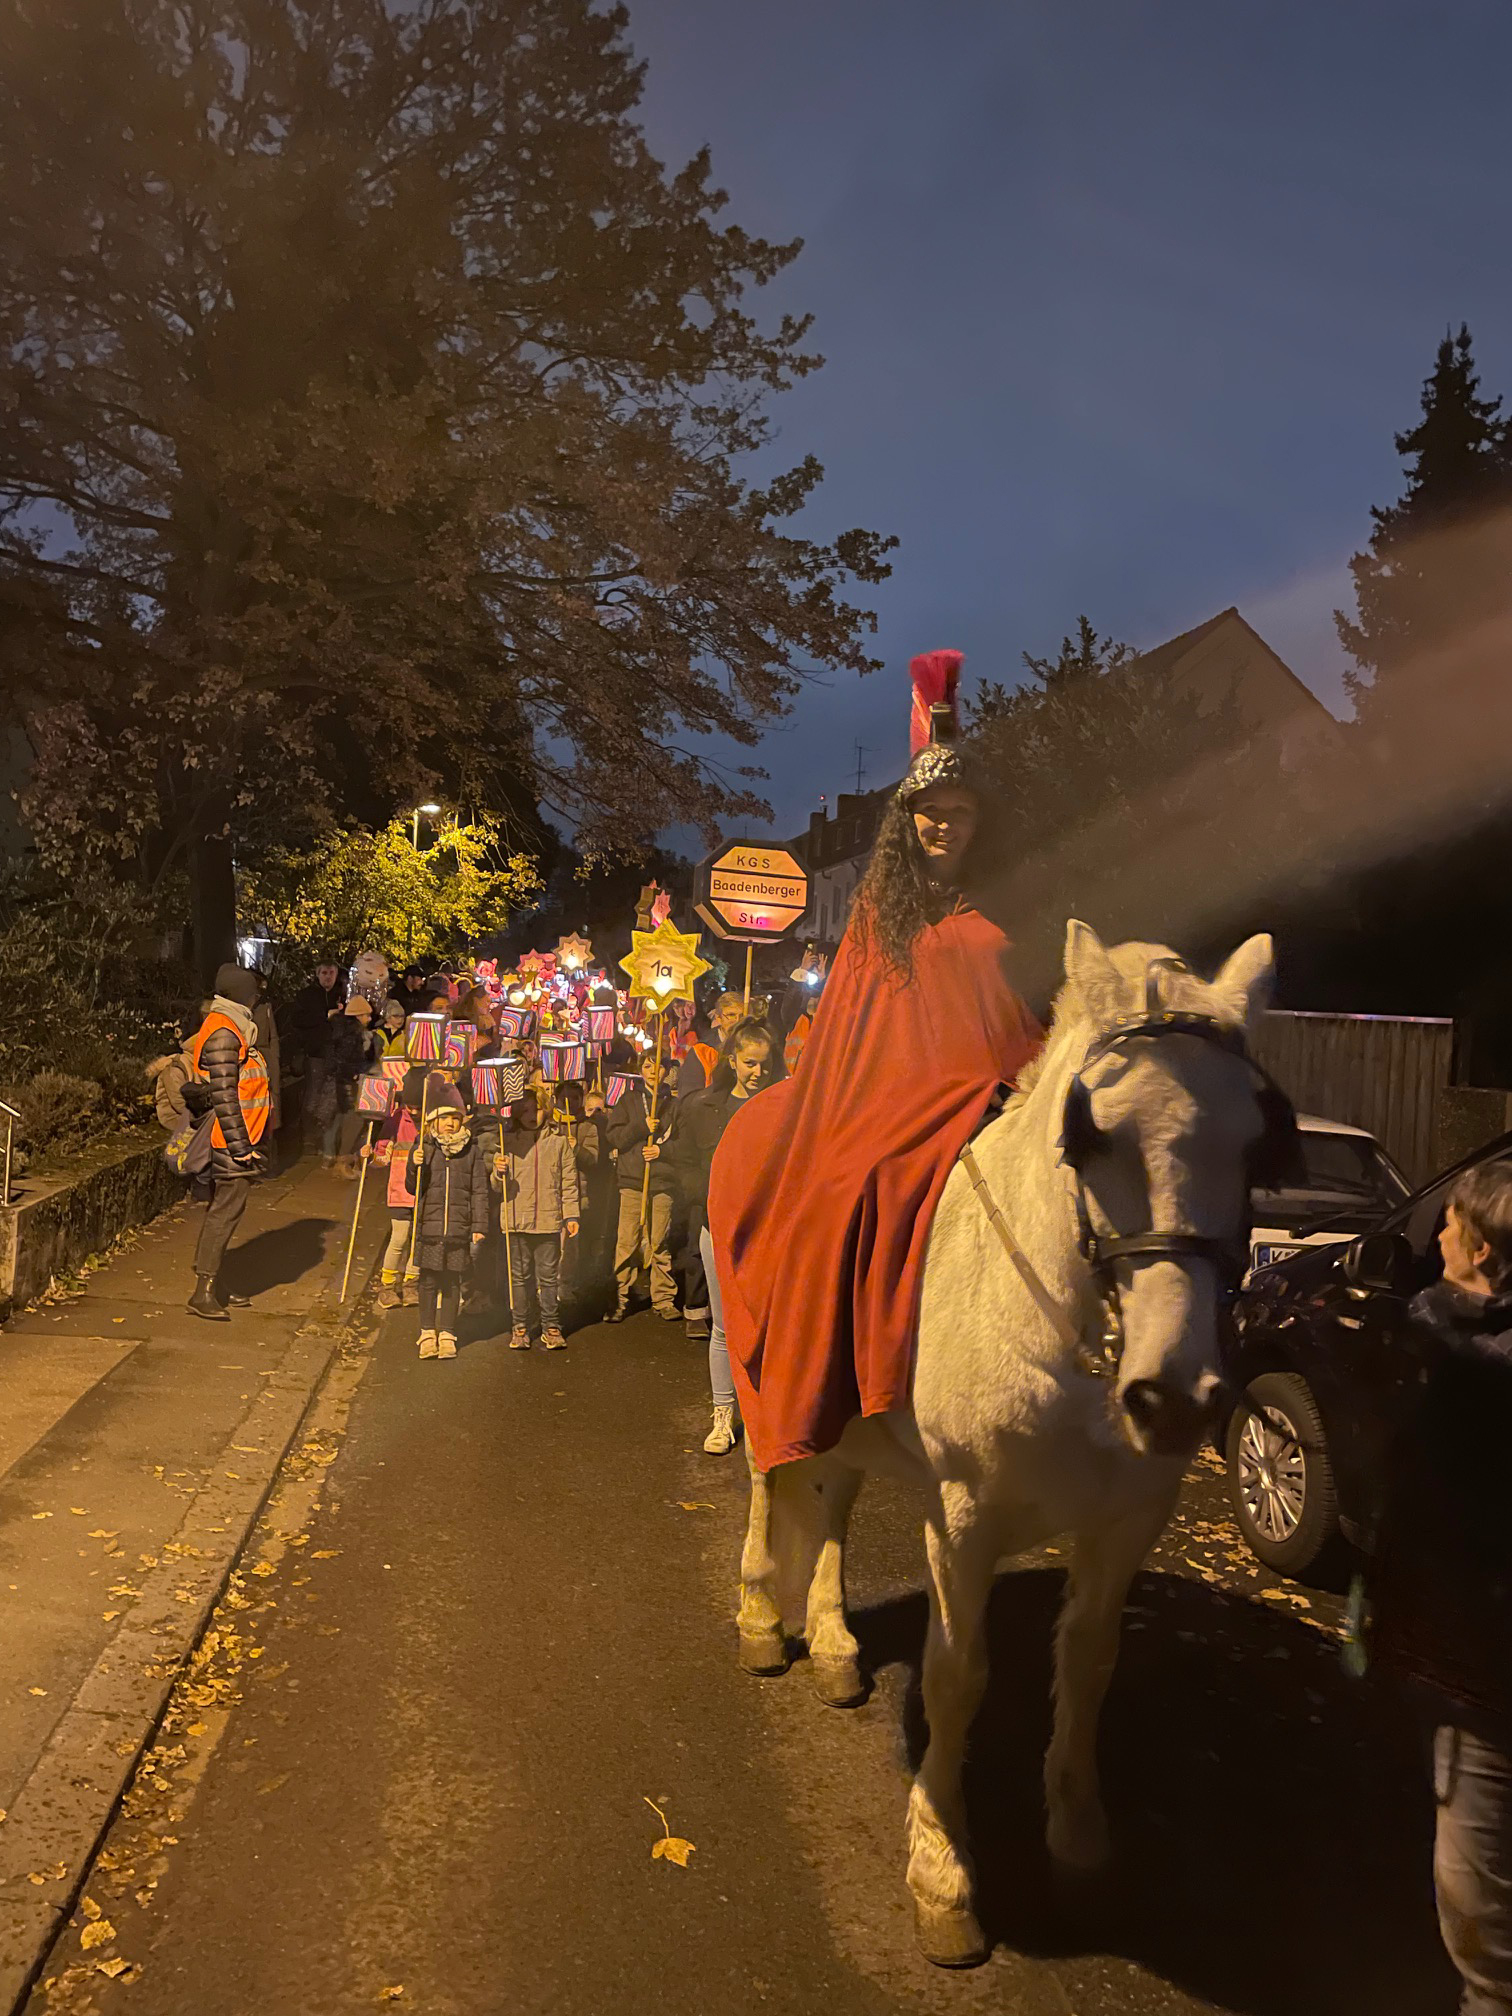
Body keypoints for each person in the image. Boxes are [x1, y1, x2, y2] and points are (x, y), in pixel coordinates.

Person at [708, 649, 1043, 1472]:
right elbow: (851, 1036)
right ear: (908, 819)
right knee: (847, 1196)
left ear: (980, 822)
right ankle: (837, 1392)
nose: (944, 824)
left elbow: (1016, 1014)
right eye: (931, 810)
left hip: (986, 1097)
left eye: (959, 811)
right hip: (885, 1105)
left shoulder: (1000, 913)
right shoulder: (872, 918)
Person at [1369, 1161, 1512, 2016]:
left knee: (1481, 1910)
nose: (1438, 1235)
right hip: (1452, 1651)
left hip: (1484, 1676)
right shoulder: (1446, 1332)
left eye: (1451, 1223)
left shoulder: (1460, 1356)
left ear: (1481, 1249)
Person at [665, 1018, 785, 1453]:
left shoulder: (784, 1107)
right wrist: (712, 1194)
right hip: (716, 1230)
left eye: (764, 1064)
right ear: (732, 1060)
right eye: (750, 1063)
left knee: (768, 1327)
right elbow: (683, 1163)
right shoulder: (703, 1107)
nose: (757, 1072)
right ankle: (722, 1414)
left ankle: (764, 1415)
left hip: (768, 1235)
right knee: (723, 1326)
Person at [185, 963, 273, 1321]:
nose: (256, 1000)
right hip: (231, 1141)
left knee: (223, 1212)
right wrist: (241, 1148)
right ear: (241, 996)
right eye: (253, 994)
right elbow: (225, 1097)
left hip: (238, 1137)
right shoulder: (225, 1032)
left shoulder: (233, 1027)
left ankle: (216, 1283)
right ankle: (203, 1292)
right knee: (223, 1214)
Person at [402, 1084, 490, 1360]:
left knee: (452, 1282)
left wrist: (479, 1225)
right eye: (444, 1118)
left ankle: (448, 1333)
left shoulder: (471, 1151)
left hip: (458, 1228)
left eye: (455, 1118)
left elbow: (479, 1190)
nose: (450, 1123)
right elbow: (413, 1187)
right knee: (428, 1281)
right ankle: (427, 1332)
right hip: (429, 1227)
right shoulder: (424, 1147)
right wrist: (414, 1165)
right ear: (433, 1121)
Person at [492, 1085, 580, 1350]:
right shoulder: (506, 1141)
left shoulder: (559, 1142)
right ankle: (520, 1325)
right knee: (519, 1277)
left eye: (537, 1109)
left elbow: (569, 1181)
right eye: (525, 1110)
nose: (531, 1115)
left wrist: (571, 1214)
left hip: (548, 1220)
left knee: (549, 1277)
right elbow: (497, 1187)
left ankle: (551, 1325)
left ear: (547, 1109)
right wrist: (498, 1172)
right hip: (516, 1219)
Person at [606, 1048, 679, 1322]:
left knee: (660, 1242)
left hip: (662, 1182)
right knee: (627, 1242)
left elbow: (683, 1143)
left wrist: (662, 1152)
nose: (653, 1071)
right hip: (632, 1181)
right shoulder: (628, 1100)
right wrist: (640, 1126)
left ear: (666, 1070)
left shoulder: (674, 1104)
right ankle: (620, 1298)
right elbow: (615, 1137)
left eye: (658, 1066)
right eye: (648, 1066)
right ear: (640, 1070)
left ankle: (664, 1298)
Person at [363, 1068, 430, 1308]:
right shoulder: (396, 1119)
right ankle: (388, 1285)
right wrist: (371, 1156)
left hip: (426, 1191)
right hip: (400, 1190)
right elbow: (382, 1158)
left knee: (418, 1239)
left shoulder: (433, 1120)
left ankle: (411, 1283)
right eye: (410, 1106)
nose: (414, 1112)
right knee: (400, 1237)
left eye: (418, 1107)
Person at [282, 961, 346, 1165]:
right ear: (317, 974)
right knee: (313, 1096)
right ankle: (309, 1138)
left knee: (332, 1099)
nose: (328, 976)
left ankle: (326, 1141)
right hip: (315, 1053)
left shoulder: (343, 995)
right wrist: (324, 1017)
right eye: (324, 972)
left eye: (331, 972)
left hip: (337, 1054)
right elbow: (297, 1020)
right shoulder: (307, 996)